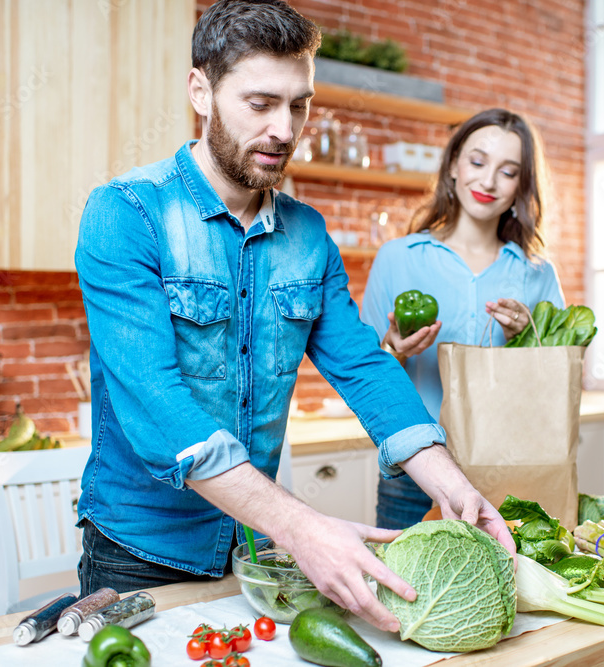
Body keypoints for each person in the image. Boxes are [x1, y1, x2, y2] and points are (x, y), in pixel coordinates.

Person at [73, 0, 512, 633]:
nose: (285, 128)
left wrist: (450, 484)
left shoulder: (307, 234)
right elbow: (158, 409)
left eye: (299, 104)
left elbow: (362, 365)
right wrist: (305, 528)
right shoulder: (126, 215)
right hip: (139, 554)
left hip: (250, 545)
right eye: (260, 104)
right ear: (201, 90)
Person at [360, 108, 566, 530]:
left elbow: (558, 382)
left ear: (521, 186)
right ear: (453, 165)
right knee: (406, 591)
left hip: (510, 471)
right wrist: (393, 351)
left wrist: (529, 337)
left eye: (508, 172)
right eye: (477, 162)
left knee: (507, 595)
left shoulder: (536, 272)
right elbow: (366, 373)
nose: (488, 181)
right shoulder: (397, 258)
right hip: (415, 472)